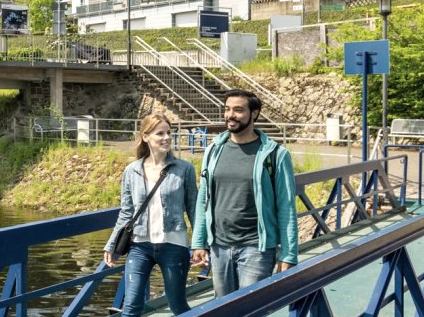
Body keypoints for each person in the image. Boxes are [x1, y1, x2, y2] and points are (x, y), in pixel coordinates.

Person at [191, 89, 298, 298]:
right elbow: (204, 199)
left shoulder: (275, 154)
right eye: (227, 109)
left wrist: (288, 254)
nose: (231, 115)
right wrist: (198, 242)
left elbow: (286, 208)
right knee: (223, 310)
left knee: (250, 309)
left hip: (256, 248)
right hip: (219, 247)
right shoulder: (213, 150)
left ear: (254, 113)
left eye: (238, 110)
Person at [104, 114, 199, 317]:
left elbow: (194, 209)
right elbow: (127, 212)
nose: (166, 138)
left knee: (178, 306)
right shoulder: (132, 171)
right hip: (140, 246)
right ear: (145, 137)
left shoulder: (184, 169)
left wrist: (200, 244)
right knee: (130, 308)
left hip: (174, 245)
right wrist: (112, 244)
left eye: (168, 133)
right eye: (160, 133)